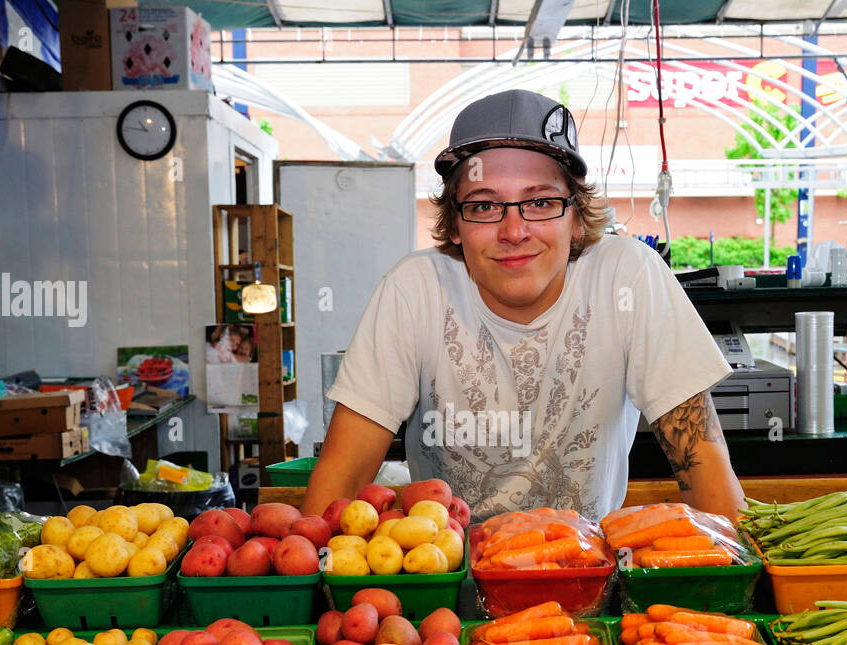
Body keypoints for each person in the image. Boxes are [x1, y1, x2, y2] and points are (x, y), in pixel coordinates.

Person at [304, 89, 744, 525]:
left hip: (586, 574)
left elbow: (710, 480)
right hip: (446, 579)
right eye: (484, 205)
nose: (514, 230)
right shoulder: (415, 290)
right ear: (455, 222)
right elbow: (333, 497)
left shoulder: (628, 277)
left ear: (576, 217)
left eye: (540, 202)